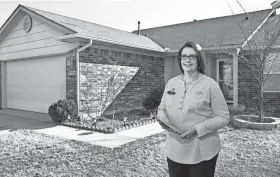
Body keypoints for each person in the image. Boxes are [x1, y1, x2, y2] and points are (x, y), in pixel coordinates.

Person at [156, 41, 230, 177]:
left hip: (202, 151)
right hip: (175, 150)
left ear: (199, 59)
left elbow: (224, 117)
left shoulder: (210, 85)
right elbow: (161, 109)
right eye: (184, 56)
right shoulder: (171, 83)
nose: (187, 60)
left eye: (192, 56)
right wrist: (164, 120)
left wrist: (197, 129)